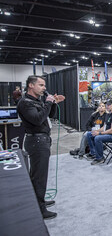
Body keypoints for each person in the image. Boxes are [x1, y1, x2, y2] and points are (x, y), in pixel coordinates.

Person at [17, 75, 65, 219]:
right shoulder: (25, 102)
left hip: (42, 140)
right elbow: (37, 120)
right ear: (31, 85)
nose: (44, 88)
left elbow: (50, 115)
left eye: (44, 85)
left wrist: (53, 103)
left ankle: (39, 201)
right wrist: (48, 103)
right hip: (36, 142)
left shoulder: (36, 101)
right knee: (39, 176)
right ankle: (39, 208)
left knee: (38, 174)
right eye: (41, 85)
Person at [86, 100, 112, 165]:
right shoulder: (108, 114)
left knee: (98, 138)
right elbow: (104, 127)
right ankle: (94, 153)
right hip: (108, 133)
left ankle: (100, 158)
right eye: (106, 105)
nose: (107, 106)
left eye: (109, 105)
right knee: (89, 134)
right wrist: (96, 131)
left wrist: (99, 133)